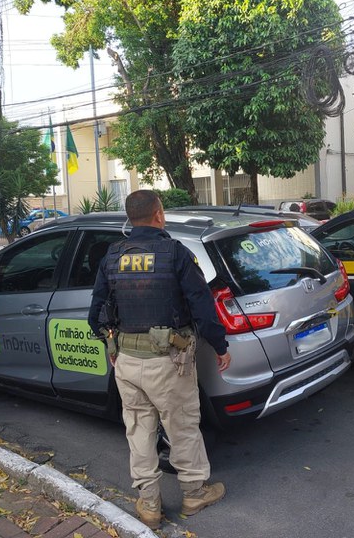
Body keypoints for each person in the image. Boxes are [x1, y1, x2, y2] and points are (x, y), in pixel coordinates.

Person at [88, 189, 231, 528]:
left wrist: (111, 346)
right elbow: (202, 306)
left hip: (125, 360)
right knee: (181, 427)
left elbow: (95, 314)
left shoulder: (112, 256)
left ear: (130, 218)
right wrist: (220, 346)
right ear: (158, 214)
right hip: (169, 361)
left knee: (138, 430)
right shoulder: (175, 254)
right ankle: (194, 494)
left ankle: (150, 505)